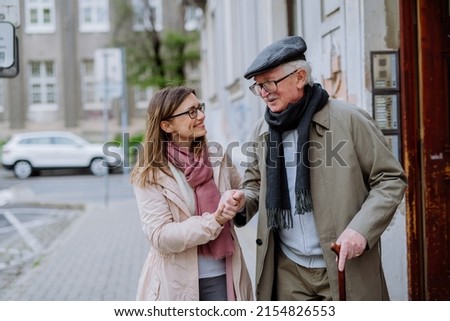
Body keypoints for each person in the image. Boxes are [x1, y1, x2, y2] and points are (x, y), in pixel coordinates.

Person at [222, 35, 407, 300]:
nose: (264, 93)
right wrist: (241, 201)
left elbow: (390, 178)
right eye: (258, 87)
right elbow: (254, 186)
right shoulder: (262, 130)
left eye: (270, 83)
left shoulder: (349, 119)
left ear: (299, 77)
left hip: (342, 266)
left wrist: (362, 229)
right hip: (287, 270)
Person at [130, 86, 253, 301]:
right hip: (177, 285)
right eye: (191, 112)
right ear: (166, 125)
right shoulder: (151, 171)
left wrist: (239, 200)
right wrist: (215, 220)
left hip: (226, 275)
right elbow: (160, 236)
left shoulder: (216, 154)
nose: (202, 116)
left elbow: (242, 190)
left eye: (199, 108)